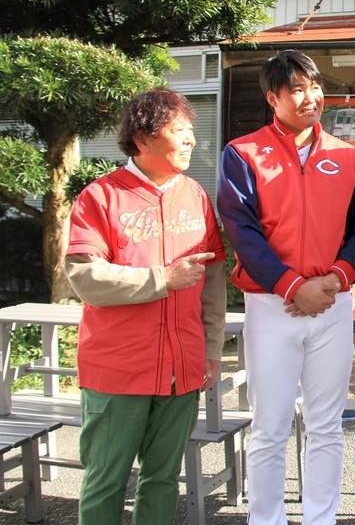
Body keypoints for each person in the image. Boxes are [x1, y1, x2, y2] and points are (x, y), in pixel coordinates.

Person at [217, 50, 355, 525]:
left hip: (332, 302)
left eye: (314, 87)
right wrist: (293, 286)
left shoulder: (348, 157)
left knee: (326, 424)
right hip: (271, 306)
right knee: (269, 425)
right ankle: (265, 518)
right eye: (297, 89)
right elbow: (241, 231)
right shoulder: (243, 153)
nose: (310, 97)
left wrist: (336, 279)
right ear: (274, 98)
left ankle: (321, 519)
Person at [65, 87, 227, 525]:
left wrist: (211, 349)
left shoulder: (195, 195)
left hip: (183, 367)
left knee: (162, 478)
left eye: (192, 131)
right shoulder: (100, 197)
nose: (191, 140)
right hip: (118, 370)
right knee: (106, 479)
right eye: (179, 131)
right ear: (142, 139)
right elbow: (84, 276)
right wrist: (162, 279)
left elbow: (212, 280)